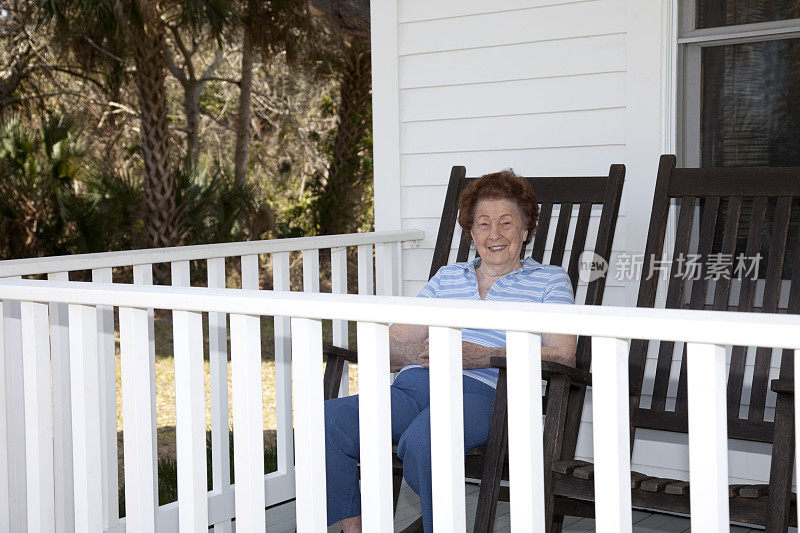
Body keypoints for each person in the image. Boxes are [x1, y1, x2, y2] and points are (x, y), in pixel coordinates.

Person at [324, 169, 577, 532]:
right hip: (414, 387)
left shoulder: (549, 280)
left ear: (525, 231)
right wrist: (420, 355)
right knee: (331, 420)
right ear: (471, 232)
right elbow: (391, 345)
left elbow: (563, 354)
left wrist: (482, 356)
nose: (495, 234)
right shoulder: (447, 277)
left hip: (489, 393)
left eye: (507, 223)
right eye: (484, 224)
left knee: (425, 439)